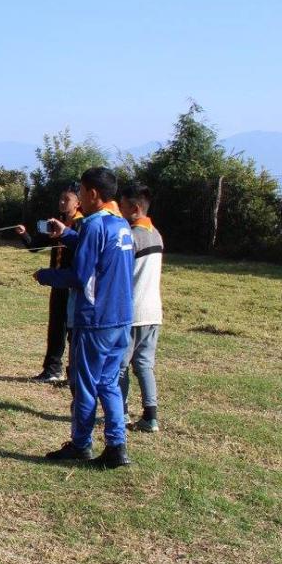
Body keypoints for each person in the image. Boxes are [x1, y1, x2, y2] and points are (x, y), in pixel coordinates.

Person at [35, 166, 134, 469]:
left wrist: (47, 275)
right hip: (121, 318)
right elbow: (99, 253)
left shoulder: (92, 225)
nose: (78, 195)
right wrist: (66, 234)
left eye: (80, 190)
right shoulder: (121, 225)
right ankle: (117, 447)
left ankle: (81, 444)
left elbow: (80, 275)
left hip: (95, 319)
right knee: (108, 384)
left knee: (85, 383)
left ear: (92, 194)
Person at [15, 184, 84, 384]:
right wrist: (23, 234)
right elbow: (35, 247)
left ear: (78, 202)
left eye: (67, 199)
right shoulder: (56, 223)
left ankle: (75, 375)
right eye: (61, 199)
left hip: (73, 284)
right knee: (56, 327)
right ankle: (53, 369)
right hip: (57, 282)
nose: (62, 203)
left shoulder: (83, 225)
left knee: (73, 331)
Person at [118, 183, 164, 433]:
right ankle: (151, 416)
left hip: (132, 312)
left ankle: (121, 413)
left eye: (123, 205)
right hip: (153, 312)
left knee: (120, 366)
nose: (119, 209)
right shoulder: (156, 233)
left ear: (135, 208)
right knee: (144, 365)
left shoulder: (131, 236)